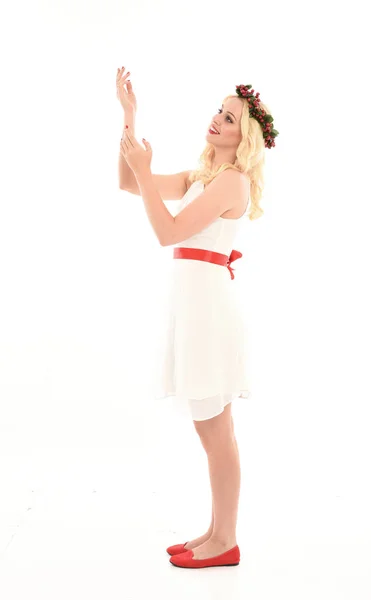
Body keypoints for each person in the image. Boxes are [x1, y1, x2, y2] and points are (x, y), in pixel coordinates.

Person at [116, 66, 278, 569]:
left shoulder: (232, 182)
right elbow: (128, 182)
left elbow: (168, 232)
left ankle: (224, 540)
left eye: (229, 119)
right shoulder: (201, 175)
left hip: (208, 311)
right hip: (193, 307)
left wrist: (145, 172)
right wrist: (129, 117)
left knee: (216, 430)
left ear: (242, 137)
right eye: (219, 111)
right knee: (211, 428)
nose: (217, 121)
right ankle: (214, 531)